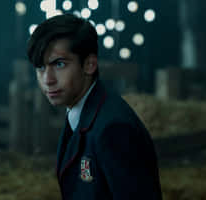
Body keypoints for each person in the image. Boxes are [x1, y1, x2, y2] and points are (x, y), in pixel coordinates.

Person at [27, 14, 162, 200]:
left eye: (59, 64)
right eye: (41, 67)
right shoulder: (79, 113)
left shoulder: (113, 128)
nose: (47, 80)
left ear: (89, 64)